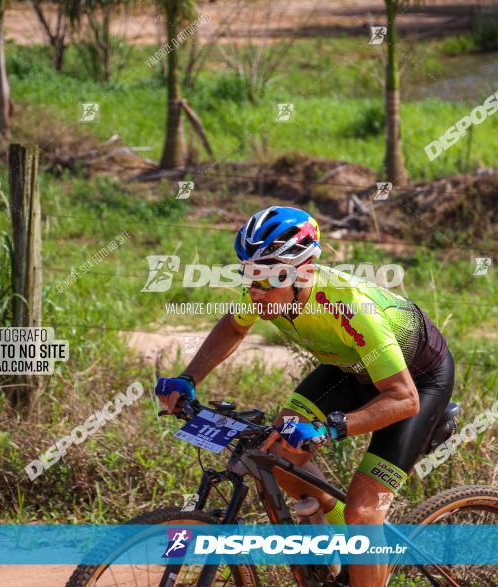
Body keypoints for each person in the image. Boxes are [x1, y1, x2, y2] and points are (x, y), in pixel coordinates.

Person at [155, 206, 454, 587]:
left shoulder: (350, 306)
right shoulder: (268, 293)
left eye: (266, 279)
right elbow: (233, 328)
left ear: (303, 273)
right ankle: (344, 544)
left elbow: (403, 400)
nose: (255, 291)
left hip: (415, 382)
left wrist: (330, 430)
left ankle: (359, 533)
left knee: (364, 513)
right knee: (276, 451)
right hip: (349, 367)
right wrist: (188, 378)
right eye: (250, 276)